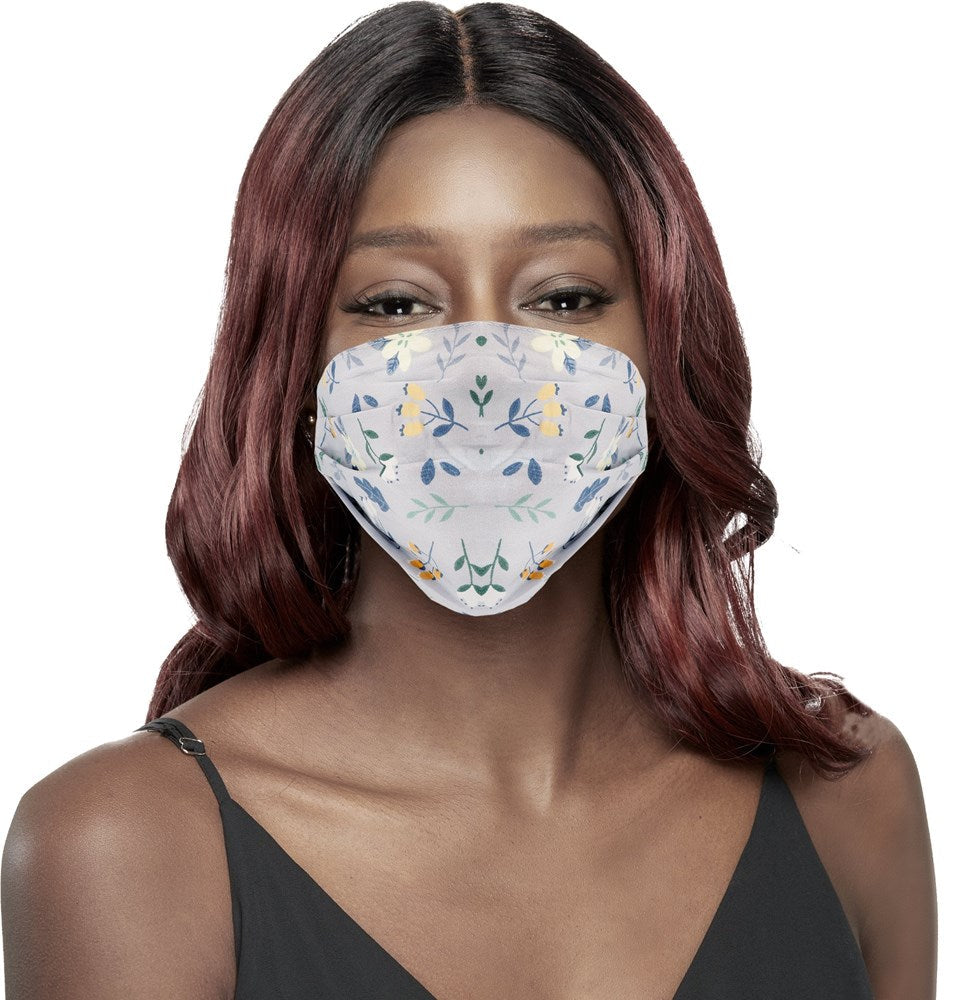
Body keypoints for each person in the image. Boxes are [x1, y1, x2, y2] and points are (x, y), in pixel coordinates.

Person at [1, 3, 937, 998]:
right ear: (294, 366)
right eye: (396, 303)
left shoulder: (848, 794)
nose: (482, 376)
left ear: (663, 340)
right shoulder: (126, 845)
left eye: (563, 298)